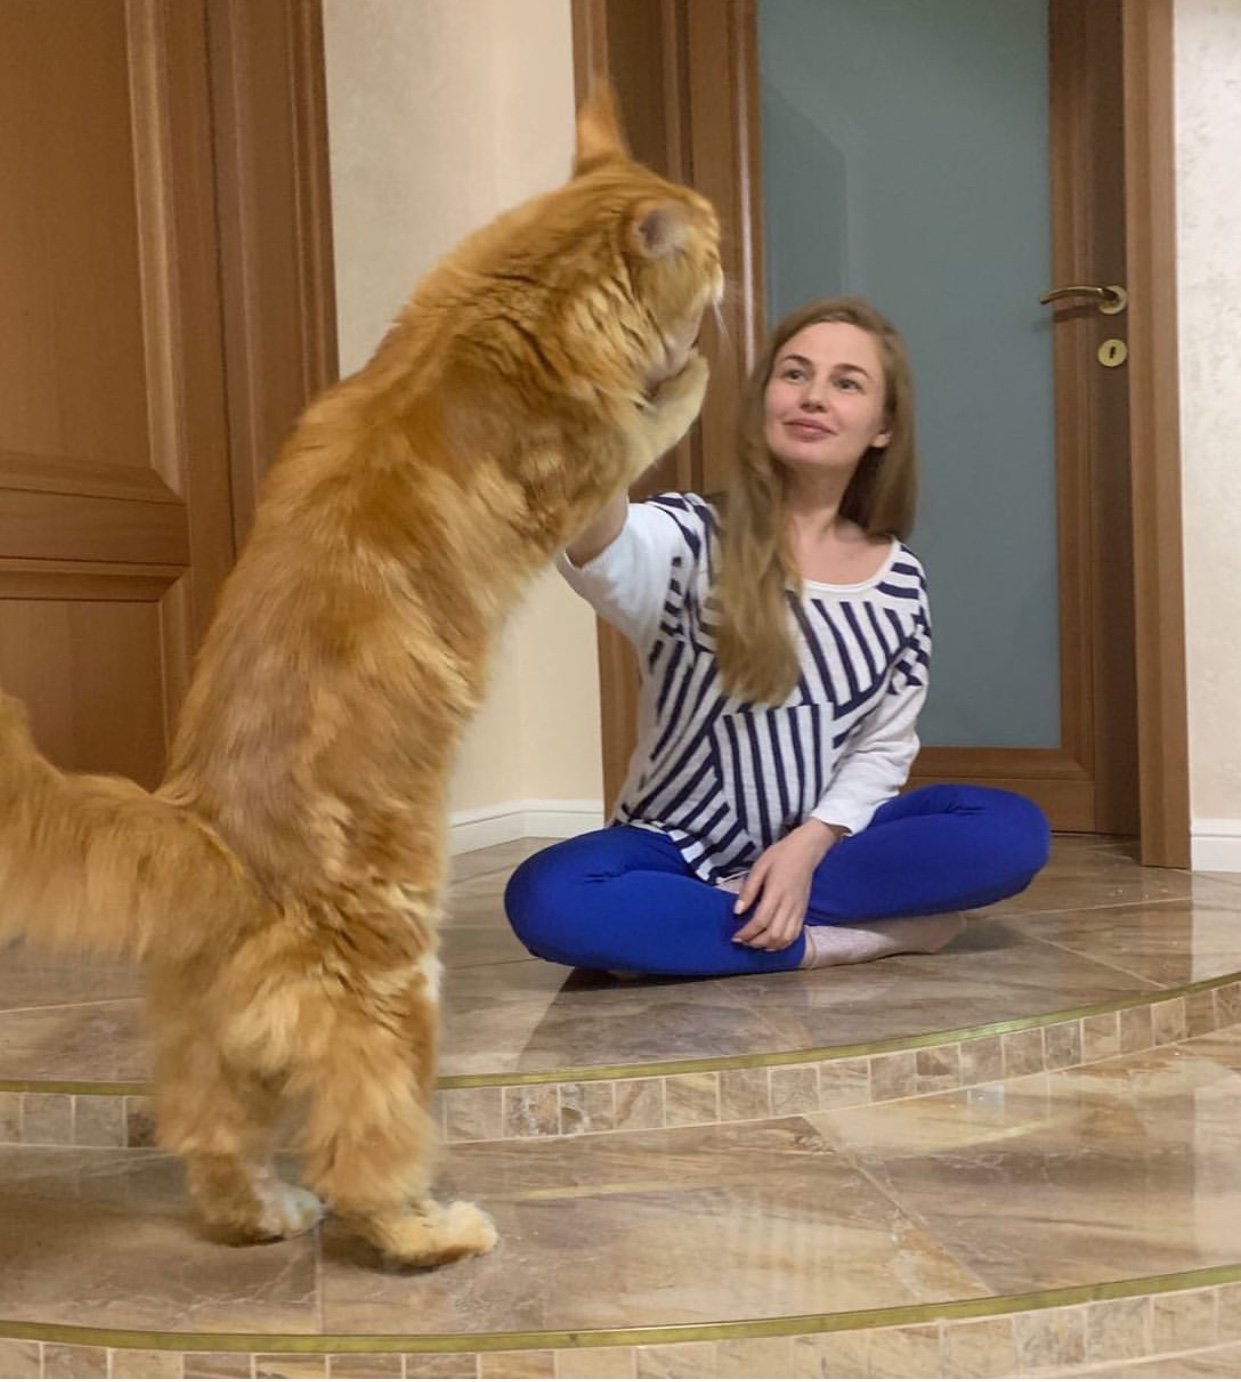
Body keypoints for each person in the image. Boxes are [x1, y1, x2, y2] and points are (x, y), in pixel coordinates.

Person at [504, 298, 1050, 976]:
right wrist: (624, 392)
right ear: (765, 398)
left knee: (1010, 831)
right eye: (794, 374)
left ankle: (703, 925)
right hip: (674, 848)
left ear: (882, 427)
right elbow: (593, 528)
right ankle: (831, 939)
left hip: (824, 851)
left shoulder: (900, 580)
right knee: (546, 897)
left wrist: (808, 846)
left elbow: (882, 746)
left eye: (846, 383)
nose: (813, 396)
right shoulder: (688, 538)